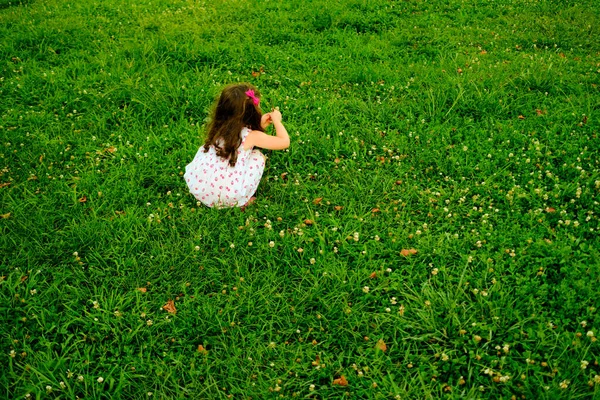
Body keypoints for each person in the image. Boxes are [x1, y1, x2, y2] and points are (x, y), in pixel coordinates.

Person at [184, 83, 290, 208]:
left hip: (200, 186)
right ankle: (242, 200)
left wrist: (260, 124)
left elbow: (243, 131)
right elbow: (284, 142)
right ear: (252, 112)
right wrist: (277, 120)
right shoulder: (253, 136)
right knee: (258, 157)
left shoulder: (220, 126)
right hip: (227, 195)